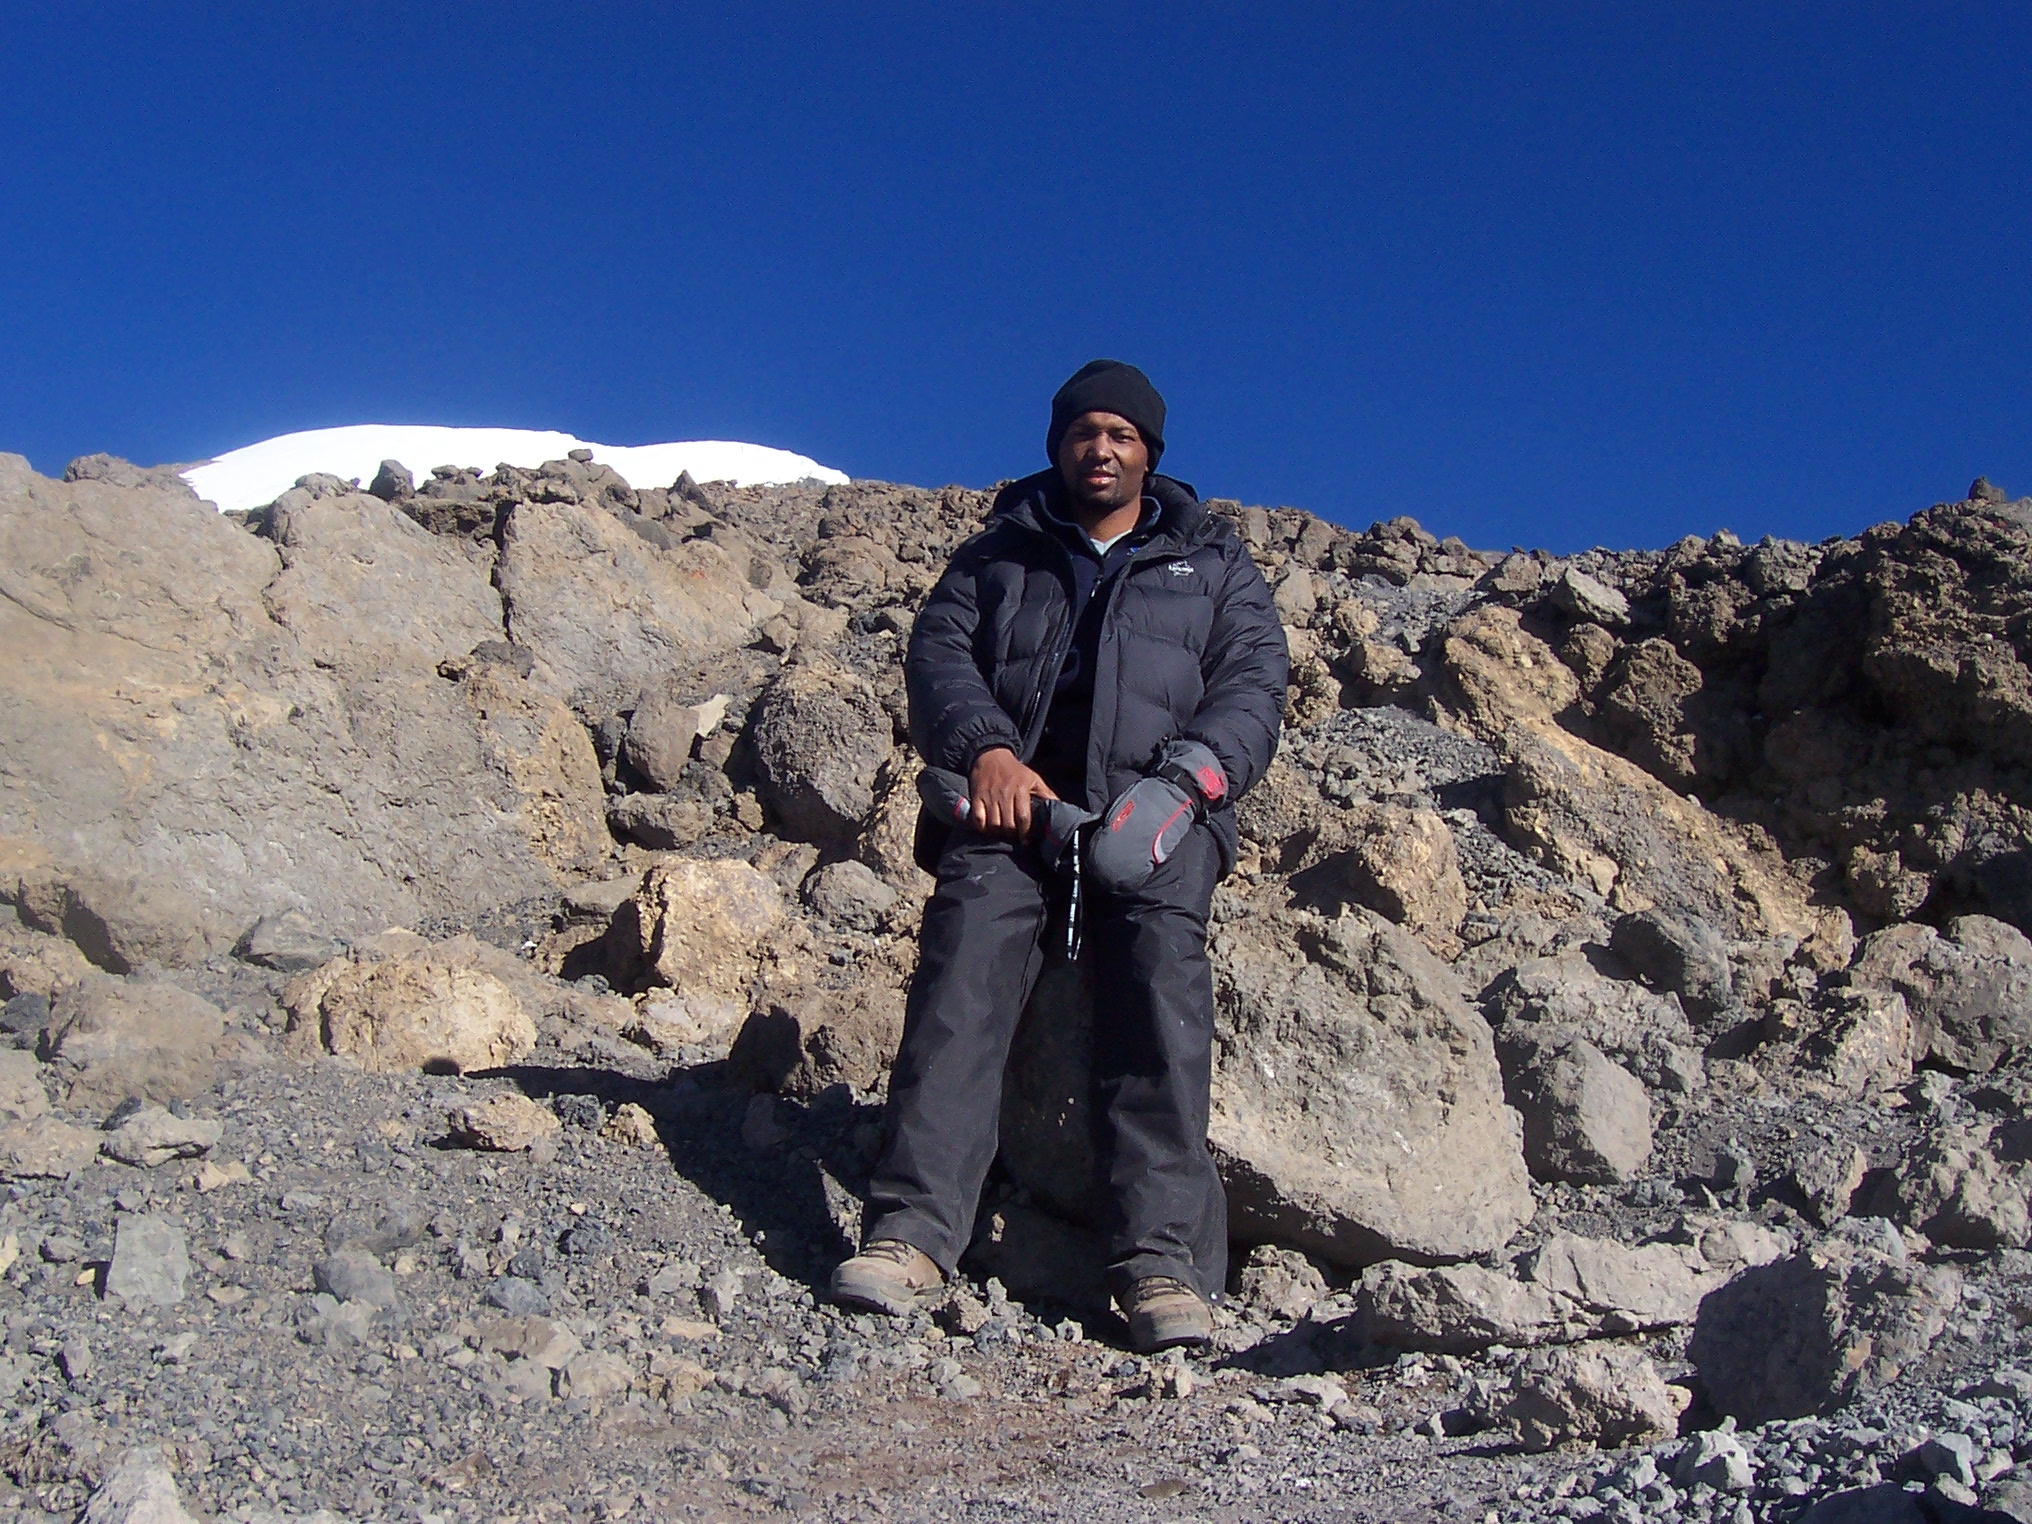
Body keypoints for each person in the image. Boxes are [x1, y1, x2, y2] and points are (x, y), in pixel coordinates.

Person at [830, 360, 1288, 1351]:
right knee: (959, 985)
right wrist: (988, 753)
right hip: (1013, 814)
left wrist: (1184, 788)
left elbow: (1254, 686)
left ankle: (1158, 1265)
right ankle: (912, 1230)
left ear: (1149, 453)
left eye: (1122, 434)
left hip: (1158, 817)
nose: (1102, 448)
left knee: (1160, 999)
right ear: (1058, 444)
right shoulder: (999, 554)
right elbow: (938, 659)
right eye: (1085, 431)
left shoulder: (1209, 561)